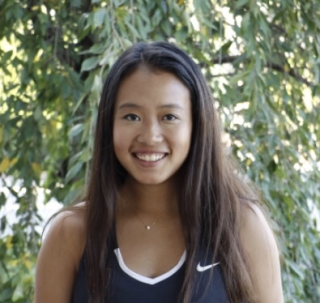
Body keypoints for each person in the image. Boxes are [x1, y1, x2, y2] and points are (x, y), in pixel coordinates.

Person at [35, 42, 284, 303]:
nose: (150, 136)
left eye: (169, 117)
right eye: (131, 117)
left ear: (196, 125)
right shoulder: (70, 233)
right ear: (109, 124)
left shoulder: (241, 226)